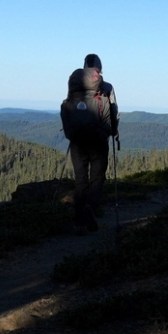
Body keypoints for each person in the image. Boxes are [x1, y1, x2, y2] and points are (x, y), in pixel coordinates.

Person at [60, 53, 119, 233]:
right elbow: (114, 111)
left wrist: (71, 133)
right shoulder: (106, 87)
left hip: (77, 139)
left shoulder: (75, 85)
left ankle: (79, 222)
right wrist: (113, 131)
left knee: (80, 179)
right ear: (99, 69)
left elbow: (68, 109)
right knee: (97, 178)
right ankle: (90, 207)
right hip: (98, 139)